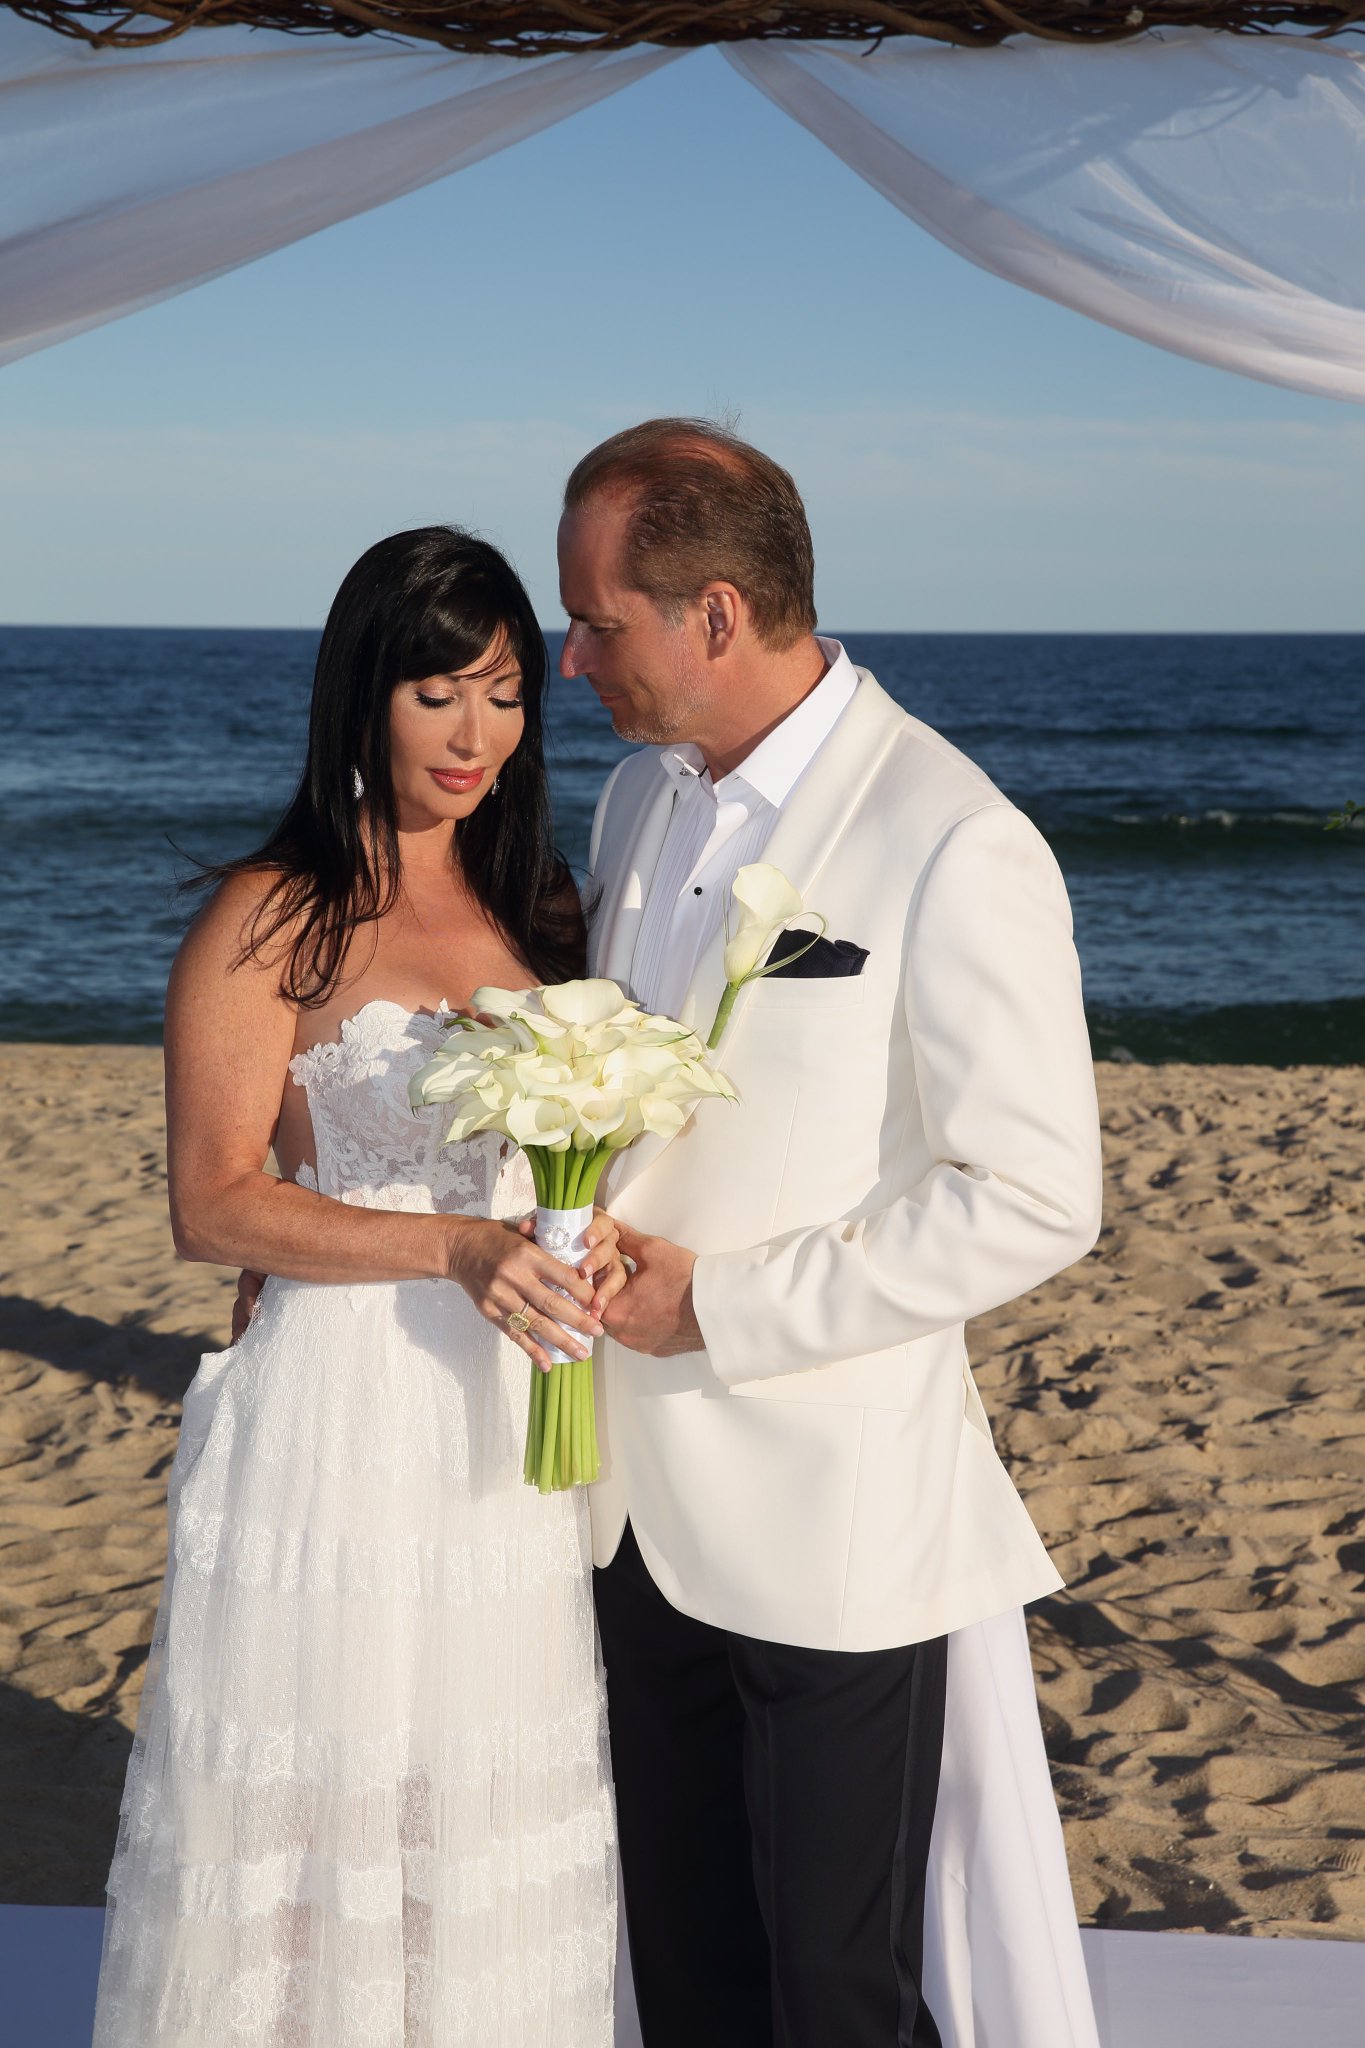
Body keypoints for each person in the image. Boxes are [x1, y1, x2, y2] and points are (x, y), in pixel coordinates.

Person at [561, 420, 1106, 2048]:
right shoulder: (632, 805)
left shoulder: (953, 835)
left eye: (598, 620)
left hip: (829, 1516)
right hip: (622, 1500)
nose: (570, 655)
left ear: (715, 615)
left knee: (834, 1988)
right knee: (690, 1965)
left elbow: (1031, 1195)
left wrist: (723, 1309)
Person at [93, 527, 626, 2048]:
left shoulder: (544, 910)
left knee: (471, 1792)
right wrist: (453, 1246)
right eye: (437, 692)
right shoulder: (273, 914)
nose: (476, 735)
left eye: (509, 694)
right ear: (362, 696)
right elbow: (215, 1207)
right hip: (338, 1407)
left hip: (503, 1417)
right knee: (319, 1813)